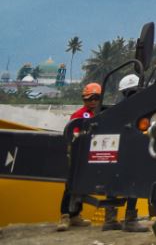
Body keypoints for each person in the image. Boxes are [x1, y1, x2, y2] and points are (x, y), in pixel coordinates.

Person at [100, 75, 148, 232]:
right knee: (133, 182)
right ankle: (130, 219)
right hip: (130, 151)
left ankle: (111, 219)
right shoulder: (141, 109)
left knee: (113, 182)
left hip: (118, 152)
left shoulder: (117, 109)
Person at [56, 83, 102, 230]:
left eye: (96, 98)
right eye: (90, 98)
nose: (93, 101)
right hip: (78, 154)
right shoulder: (79, 115)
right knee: (71, 184)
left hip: (92, 154)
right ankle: (65, 216)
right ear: (84, 99)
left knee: (82, 183)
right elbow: (73, 134)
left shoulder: (100, 114)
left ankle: (75, 215)